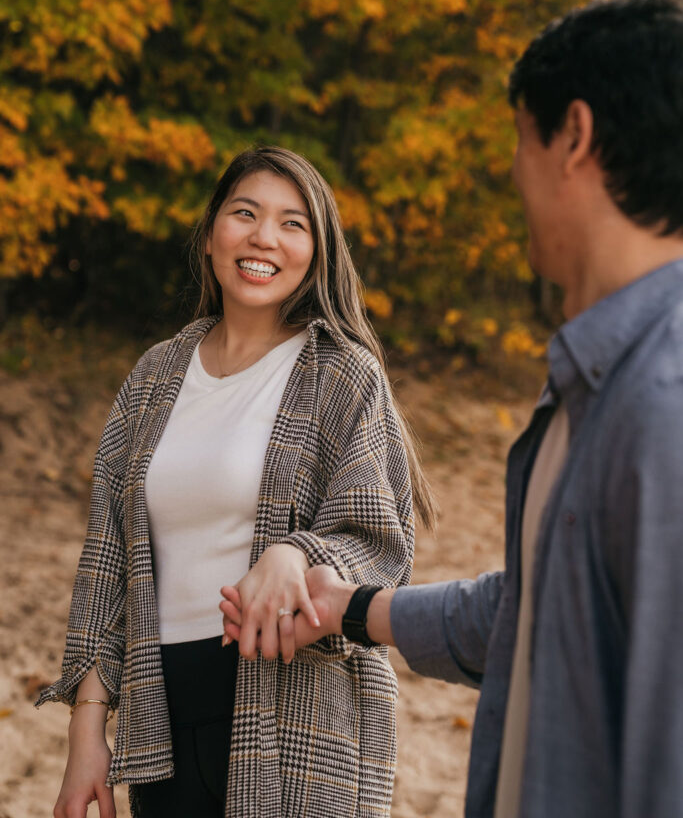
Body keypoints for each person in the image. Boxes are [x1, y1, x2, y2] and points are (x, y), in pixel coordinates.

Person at [222, 0, 683, 818]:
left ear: (572, 136)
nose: (512, 170)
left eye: (519, 138)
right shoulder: (594, 377)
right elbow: (539, 610)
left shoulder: (663, 405)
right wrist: (354, 610)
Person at [38, 146, 437, 818]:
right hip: (160, 715)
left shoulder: (343, 375)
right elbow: (106, 566)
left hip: (298, 710)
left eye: (292, 223)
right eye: (244, 214)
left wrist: (296, 552)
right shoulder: (154, 377)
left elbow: (381, 542)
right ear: (210, 235)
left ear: (317, 250)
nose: (263, 238)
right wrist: (87, 728)